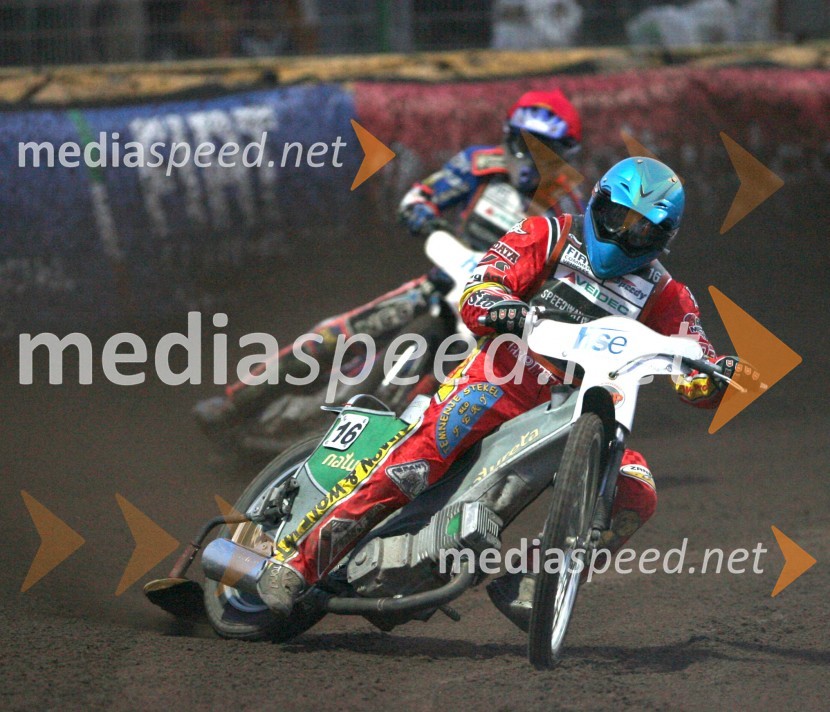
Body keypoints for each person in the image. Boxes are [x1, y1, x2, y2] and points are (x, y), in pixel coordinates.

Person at [255, 156, 749, 627]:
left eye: (640, 229)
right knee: (416, 461)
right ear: (598, 203)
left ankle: (535, 582)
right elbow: (482, 284)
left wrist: (718, 377)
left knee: (636, 489)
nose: (623, 233)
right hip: (500, 379)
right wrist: (500, 305)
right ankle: (297, 562)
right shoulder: (549, 233)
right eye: (617, 217)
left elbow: (694, 367)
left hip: (581, 412)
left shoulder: (668, 295)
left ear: (661, 238)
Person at [193, 89, 584, 452]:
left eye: (547, 150)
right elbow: (422, 195)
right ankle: (236, 403)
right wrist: (424, 217)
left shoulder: (568, 204)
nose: (534, 158)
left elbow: (573, 266)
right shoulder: (480, 164)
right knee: (337, 335)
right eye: (528, 144)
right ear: (510, 137)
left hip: (497, 313)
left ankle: (386, 448)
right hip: (442, 282)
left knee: (466, 392)